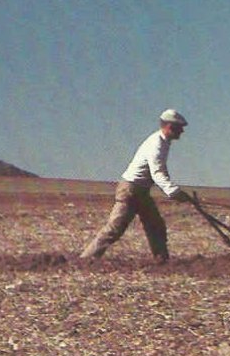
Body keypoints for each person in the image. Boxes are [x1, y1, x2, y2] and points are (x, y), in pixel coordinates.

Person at [80, 109, 193, 262]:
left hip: (141, 190)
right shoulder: (157, 144)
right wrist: (173, 191)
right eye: (179, 128)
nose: (182, 131)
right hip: (131, 190)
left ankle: (162, 260)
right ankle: (86, 259)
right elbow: (157, 172)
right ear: (169, 127)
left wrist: (173, 190)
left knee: (155, 225)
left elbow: (161, 171)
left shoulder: (163, 142)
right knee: (115, 228)